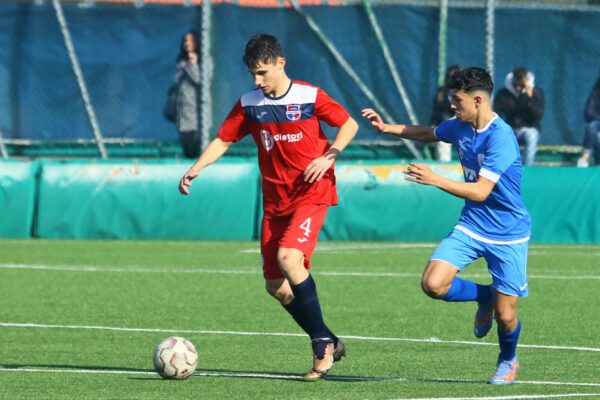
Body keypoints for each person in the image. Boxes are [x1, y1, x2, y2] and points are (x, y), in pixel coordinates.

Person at [179, 34, 358, 381]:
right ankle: (330, 340)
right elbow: (224, 138)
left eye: (262, 72)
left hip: (311, 192)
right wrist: (197, 167)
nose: (258, 81)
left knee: (289, 259)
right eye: (252, 75)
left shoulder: (309, 95)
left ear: (281, 63)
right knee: (276, 286)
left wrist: (329, 155)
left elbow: (348, 124)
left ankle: (321, 345)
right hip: (275, 203)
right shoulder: (250, 103)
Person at [362, 67, 531, 385]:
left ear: (478, 100)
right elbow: (430, 132)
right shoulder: (461, 126)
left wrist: (434, 178)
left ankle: (508, 360)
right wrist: (387, 128)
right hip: (472, 224)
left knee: (506, 317)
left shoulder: (501, 138)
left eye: (458, 100)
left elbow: (481, 191)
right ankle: (485, 295)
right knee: (433, 284)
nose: (452, 105)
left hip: (508, 234)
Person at [493, 67, 544, 166]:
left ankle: (527, 167)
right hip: (510, 128)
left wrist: (530, 98)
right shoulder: (503, 94)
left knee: (531, 135)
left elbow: (538, 116)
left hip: (529, 128)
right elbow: (496, 114)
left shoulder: (536, 93)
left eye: (521, 85)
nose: (518, 88)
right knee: (500, 135)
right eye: (515, 85)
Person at [172, 30, 202, 158]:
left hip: (195, 107)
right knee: (184, 139)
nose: (187, 43)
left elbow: (198, 79)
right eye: (185, 41)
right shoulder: (181, 60)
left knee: (193, 140)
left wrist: (193, 64)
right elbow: (176, 80)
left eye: (190, 41)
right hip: (182, 107)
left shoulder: (200, 60)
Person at [430, 64, 462, 161]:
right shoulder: (441, 93)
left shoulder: (467, 91)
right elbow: (436, 111)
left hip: (464, 121)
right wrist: (433, 123)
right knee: (441, 138)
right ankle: (444, 164)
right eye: (450, 77)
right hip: (447, 121)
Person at [577, 74, 600, 167]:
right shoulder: (596, 92)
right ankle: (585, 157)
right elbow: (588, 112)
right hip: (598, 123)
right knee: (593, 127)